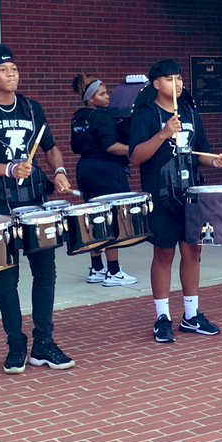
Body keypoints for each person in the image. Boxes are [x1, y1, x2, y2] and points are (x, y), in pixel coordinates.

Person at [0, 44, 76, 373]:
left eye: (14, 69)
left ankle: (44, 343)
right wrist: (7, 169)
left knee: (45, 273)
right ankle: (15, 343)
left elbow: (50, 148)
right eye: (4, 70)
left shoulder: (31, 107)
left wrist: (61, 172)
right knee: (6, 278)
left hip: (35, 201)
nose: (12, 74)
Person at [128, 60, 222, 343]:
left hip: (192, 192)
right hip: (161, 193)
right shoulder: (146, 113)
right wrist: (163, 133)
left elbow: (201, 153)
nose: (178, 83)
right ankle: (162, 316)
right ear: (157, 83)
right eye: (171, 79)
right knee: (163, 253)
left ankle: (191, 314)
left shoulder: (190, 112)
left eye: (180, 78)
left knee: (193, 252)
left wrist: (216, 161)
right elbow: (135, 156)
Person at [70, 73, 137, 287]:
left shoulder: (78, 117)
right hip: (106, 171)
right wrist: (136, 150)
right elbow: (111, 146)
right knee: (111, 220)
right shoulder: (102, 117)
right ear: (91, 98)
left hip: (85, 170)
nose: (107, 97)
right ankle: (114, 272)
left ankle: (97, 268)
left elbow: (74, 147)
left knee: (94, 220)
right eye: (102, 93)